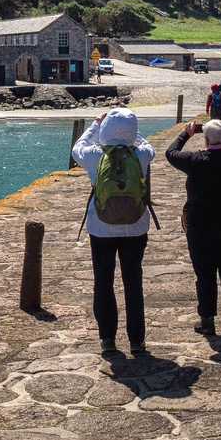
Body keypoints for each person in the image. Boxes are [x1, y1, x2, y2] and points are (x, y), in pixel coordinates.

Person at [73, 107, 155, 354]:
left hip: (101, 226)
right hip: (135, 226)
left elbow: (76, 147)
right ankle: (137, 341)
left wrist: (96, 125)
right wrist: (132, 132)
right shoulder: (141, 154)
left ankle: (107, 338)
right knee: (133, 282)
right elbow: (147, 144)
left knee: (103, 282)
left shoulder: (94, 155)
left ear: (107, 128)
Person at [166, 118, 221, 337]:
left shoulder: (195, 160)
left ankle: (207, 321)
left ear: (205, 140)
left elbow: (171, 152)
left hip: (202, 224)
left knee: (205, 273)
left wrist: (187, 133)